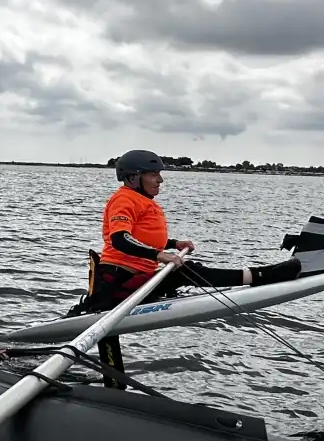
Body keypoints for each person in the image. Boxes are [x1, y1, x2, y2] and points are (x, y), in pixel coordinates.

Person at [74, 149, 302, 388]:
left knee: (180, 272)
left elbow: (143, 238)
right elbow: (120, 238)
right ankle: (264, 275)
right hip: (118, 283)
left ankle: (114, 385)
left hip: (136, 278)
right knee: (185, 271)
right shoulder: (124, 199)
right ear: (133, 177)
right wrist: (160, 254)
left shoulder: (141, 201)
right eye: (154, 174)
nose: (160, 180)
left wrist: (172, 244)